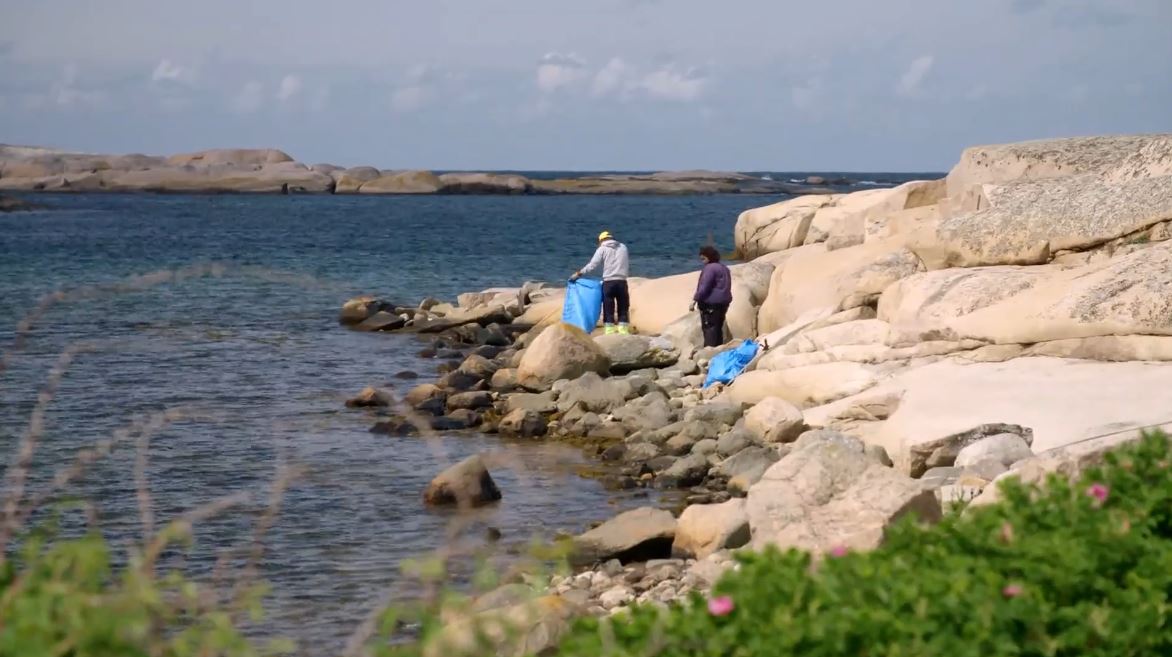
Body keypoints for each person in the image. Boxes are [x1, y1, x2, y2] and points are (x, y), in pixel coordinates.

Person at [570, 230, 631, 334]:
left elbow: (592, 265)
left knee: (608, 306)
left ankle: (609, 329)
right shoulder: (623, 247)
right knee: (623, 306)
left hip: (609, 282)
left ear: (601, 240)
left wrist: (579, 273)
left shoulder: (602, 249)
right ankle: (623, 329)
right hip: (622, 282)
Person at [690, 246, 732, 347]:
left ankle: (709, 352)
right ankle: (718, 350)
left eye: (704, 259)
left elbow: (704, 286)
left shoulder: (709, 269)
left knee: (709, 328)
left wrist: (695, 300)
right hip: (723, 303)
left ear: (710, 257)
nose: (703, 262)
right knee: (718, 328)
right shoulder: (724, 268)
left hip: (710, 303)